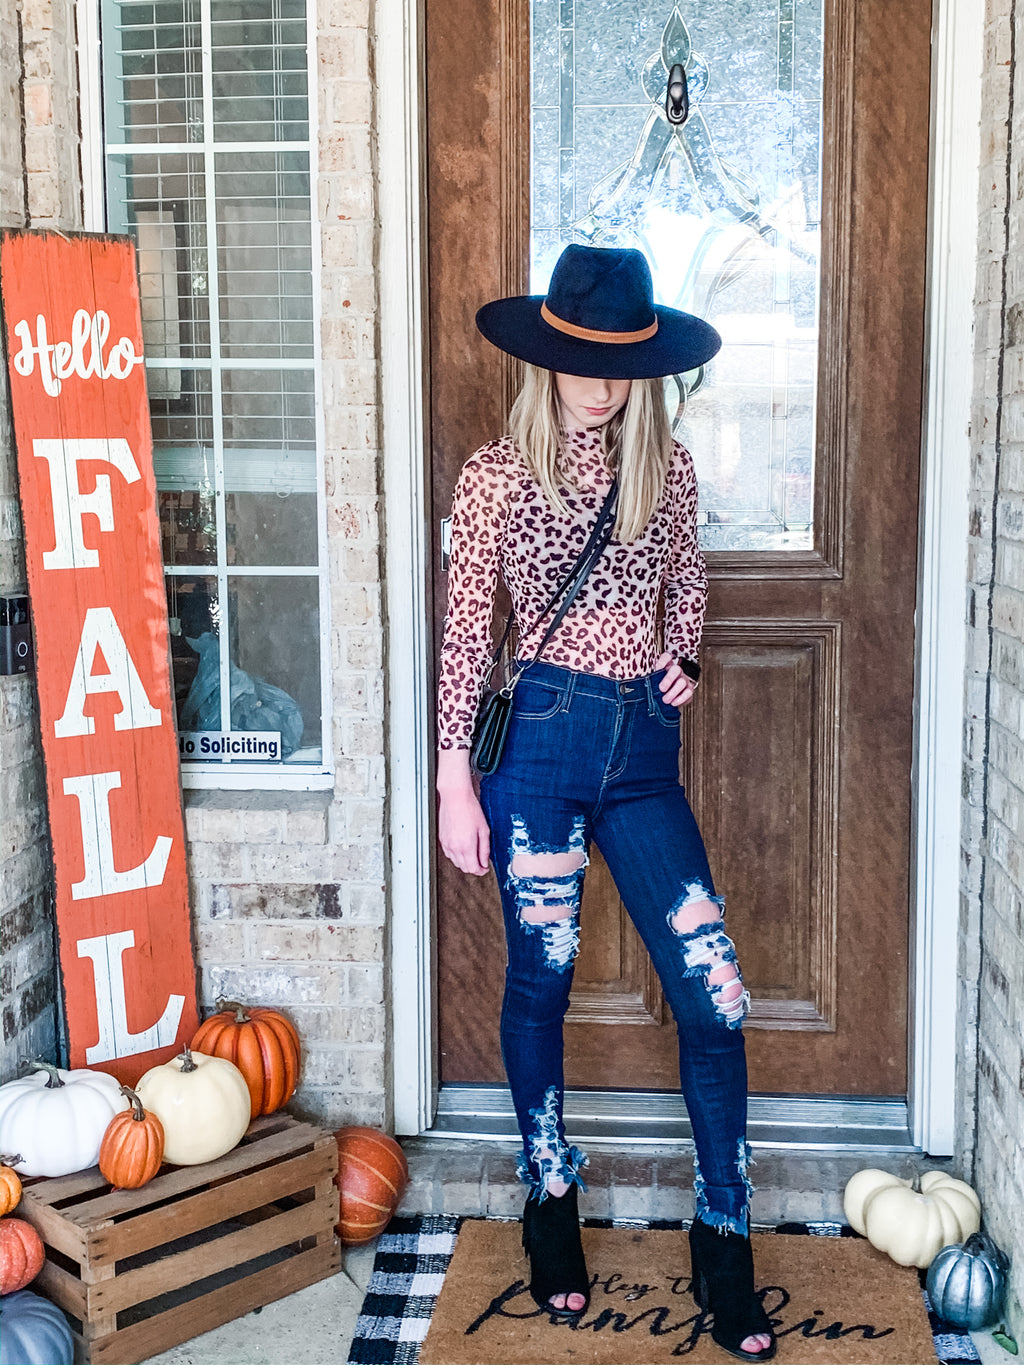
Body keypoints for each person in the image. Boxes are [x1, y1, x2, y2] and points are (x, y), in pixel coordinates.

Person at [435, 243, 776, 1363]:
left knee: (712, 991)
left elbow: (688, 576)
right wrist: (451, 780)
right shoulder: (494, 475)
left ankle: (722, 1227)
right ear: (547, 358)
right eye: (579, 359)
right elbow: (462, 637)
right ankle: (548, 1190)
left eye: (619, 361)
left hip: (641, 748)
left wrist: (682, 653)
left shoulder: (664, 468)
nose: (599, 381)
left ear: (644, 363)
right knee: (543, 977)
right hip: (532, 748)